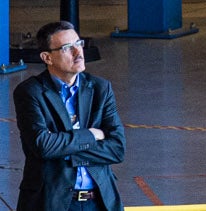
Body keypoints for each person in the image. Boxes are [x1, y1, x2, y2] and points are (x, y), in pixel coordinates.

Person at [15, 22, 124, 211]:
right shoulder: (30, 92)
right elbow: (43, 146)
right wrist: (91, 135)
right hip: (53, 202)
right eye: (67, 48)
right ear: (47, 57)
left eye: (79, 43)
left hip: (99, 201)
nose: (78, 52)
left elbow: (117, 148)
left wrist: (63, 149)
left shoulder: (100, 88)